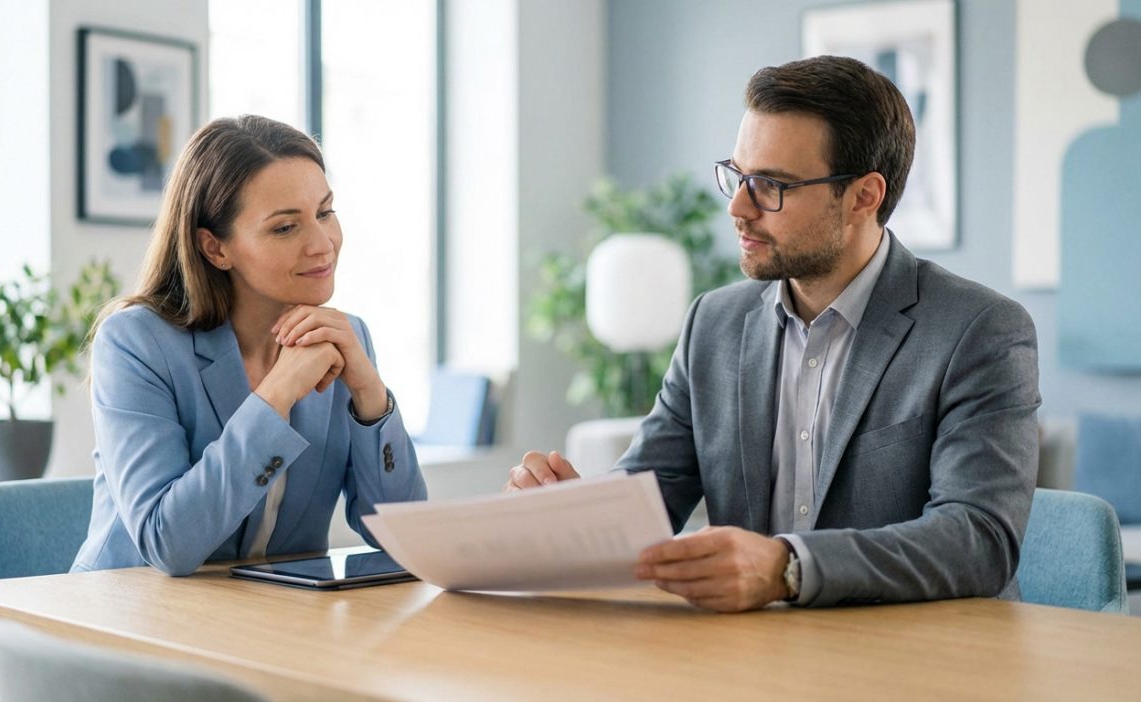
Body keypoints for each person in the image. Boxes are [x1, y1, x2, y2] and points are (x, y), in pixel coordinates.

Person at [505, 56, 1040, 611]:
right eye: (737, 176)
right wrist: (568, 518)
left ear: (864, 196)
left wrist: (788, 568)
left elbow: (979, 539)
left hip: (926, 661)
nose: (738, 208)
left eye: (771, 186)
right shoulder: (712, 325)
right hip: (756, 656)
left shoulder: (979, 331)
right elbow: (650, 499)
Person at [72, 115, 427, 576]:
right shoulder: (137, 342)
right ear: (215, 248)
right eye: (285, 228)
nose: (323, 244)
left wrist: (370, 397)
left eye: (325, 213)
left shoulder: (346, 339)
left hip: (273, 623)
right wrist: (276, 395)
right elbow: (168, 544)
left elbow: (406, 542)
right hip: (129, 621)